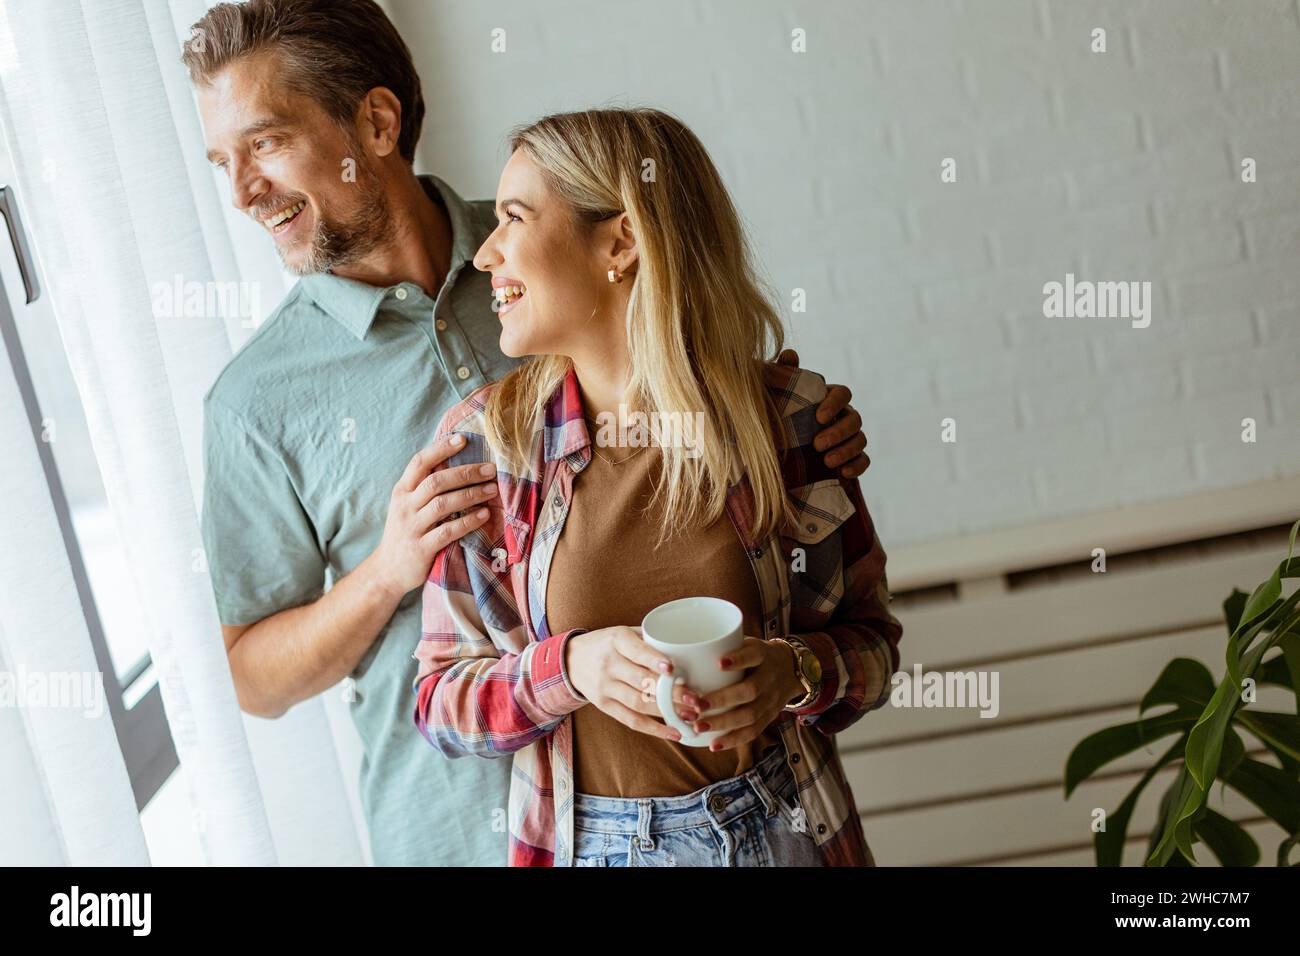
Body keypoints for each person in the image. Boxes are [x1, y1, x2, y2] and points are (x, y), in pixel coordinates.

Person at [188, 0, 873, 865]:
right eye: (224, 161)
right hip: (454, 831)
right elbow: (251, 679)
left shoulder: (542, 258)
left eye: (264, 142)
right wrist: (388, 569)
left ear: (377, 120)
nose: (243, 192)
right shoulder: (255, 402)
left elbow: (706, 374)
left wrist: (796, 428)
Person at [413, 107, 903, 866]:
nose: (485, 255)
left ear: (622, 242)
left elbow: (874, 652)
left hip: (786, 830)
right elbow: (440, 704)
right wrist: (569, 669)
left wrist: (795, 674)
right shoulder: (489, 447)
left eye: (513, 218)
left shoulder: (793, 423)